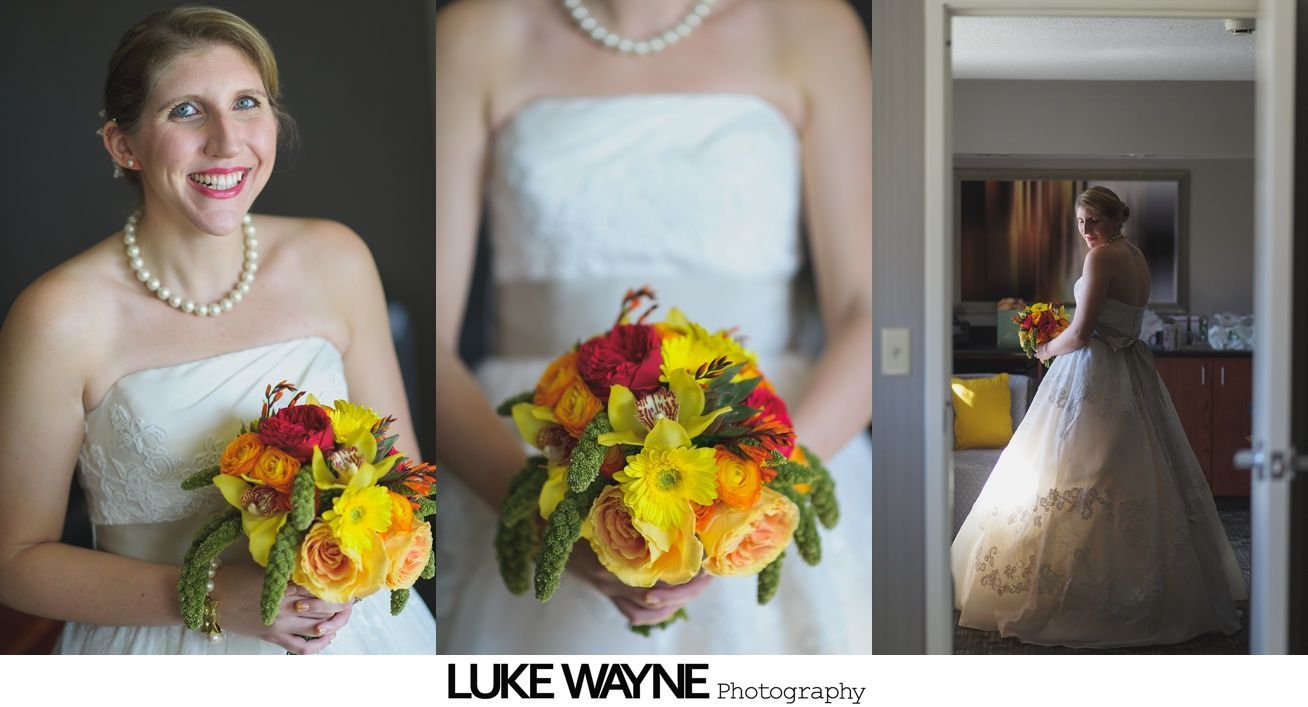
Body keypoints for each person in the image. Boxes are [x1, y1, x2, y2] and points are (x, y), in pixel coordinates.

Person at [434, 0, 872, 653]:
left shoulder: (812, 25)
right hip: (537, 446)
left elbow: (869, 311)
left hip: (770, 436)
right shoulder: (476, 31)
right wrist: (544, 511)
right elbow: (426, 351)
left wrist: (747, 496)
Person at [0, 6, 434, 654]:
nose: (228, 142)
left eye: (246, 103)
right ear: (123, 144)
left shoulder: (337, 260)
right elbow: (16, 562)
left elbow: (408, 484)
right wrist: (206, 593)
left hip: (355, 637)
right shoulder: (60, 316)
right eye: (185, 111)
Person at [951, 186, 1247, 648]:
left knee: (1078, 472)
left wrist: (1044, 347)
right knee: (1129, 472)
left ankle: (1079, 593)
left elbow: (1084, 332)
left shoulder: (1101, 258)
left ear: (1116, 218)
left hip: (1096, 370)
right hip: (1131, 367)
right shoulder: (1137, 256)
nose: (1087, 231)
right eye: (1080, 223)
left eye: (1094, 221)